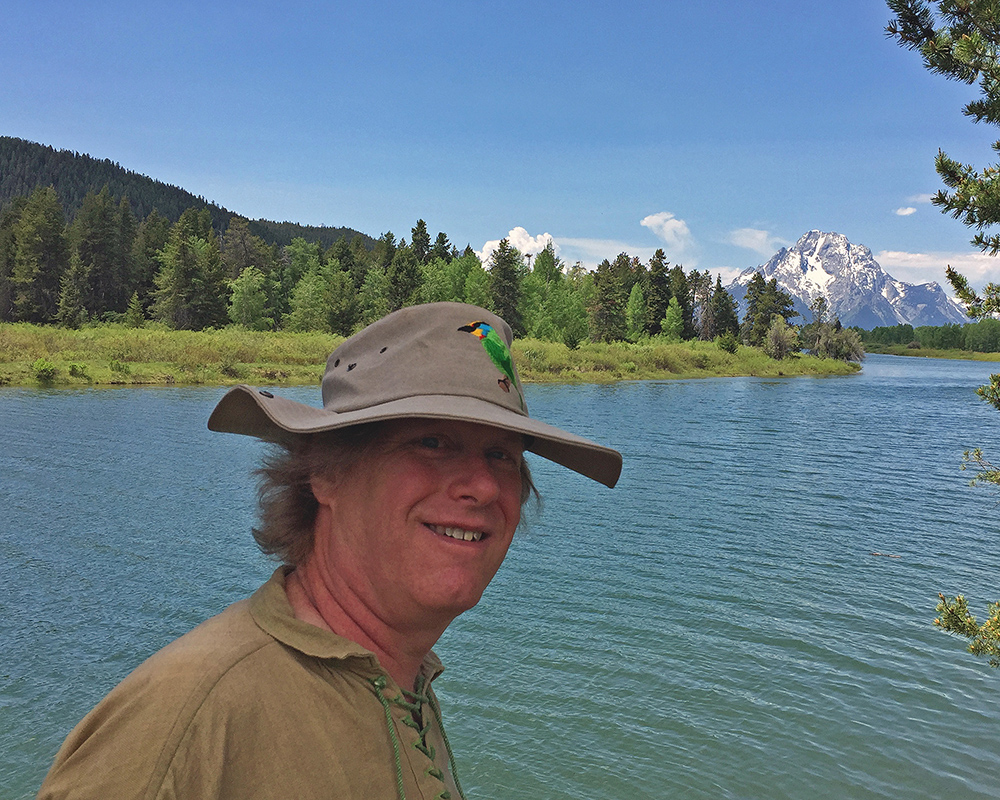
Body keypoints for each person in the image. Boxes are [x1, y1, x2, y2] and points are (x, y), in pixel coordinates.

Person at [37, 301, 622, 800]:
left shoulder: (398, 681)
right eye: (433, 442)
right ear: (326, 475)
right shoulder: (182, 725)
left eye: (503, 456)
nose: (485, 486)